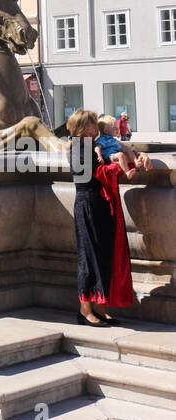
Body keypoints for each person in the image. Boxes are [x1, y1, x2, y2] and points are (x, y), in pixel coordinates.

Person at [67, 109, 145, 327]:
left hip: (99, 204)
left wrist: (129, 162)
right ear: (82, 129)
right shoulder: (78, 148)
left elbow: (104, 169)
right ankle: (85, 310)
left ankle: (101, 308)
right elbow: (96, 175)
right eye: (91, 125)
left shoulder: (91, 147)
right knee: (88, 257)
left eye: (94, 124)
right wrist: (122, 167)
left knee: (103, 256)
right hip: (87, 204)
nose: (95, 128)